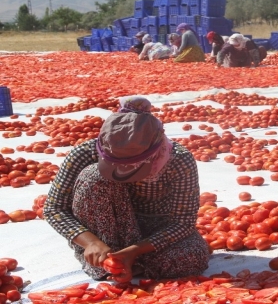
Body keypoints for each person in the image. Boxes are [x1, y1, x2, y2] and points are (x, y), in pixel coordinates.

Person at [43, 97, 209, 283]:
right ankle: (108, 259)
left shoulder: (178, 160)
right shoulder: (84, 153)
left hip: (154, 232)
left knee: (192, 256)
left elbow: (183, 222)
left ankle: (122, 262)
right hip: (106, 232)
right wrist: (91, 243)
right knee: (93, 175)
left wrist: (134, 251)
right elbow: (54, 209)